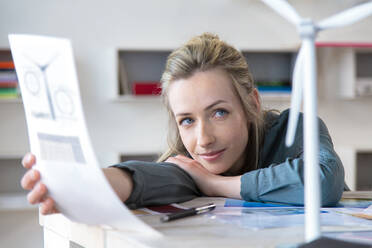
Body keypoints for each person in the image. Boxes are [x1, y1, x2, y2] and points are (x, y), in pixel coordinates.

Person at [20, 33, 345, 215]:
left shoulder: (294, 129)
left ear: (252, 105)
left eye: (219, 112)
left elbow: (323, 181)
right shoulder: (192, 166)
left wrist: (215, 185)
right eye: (187, 120)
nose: (203, 139)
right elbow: (143, 180)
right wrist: (82, 182)